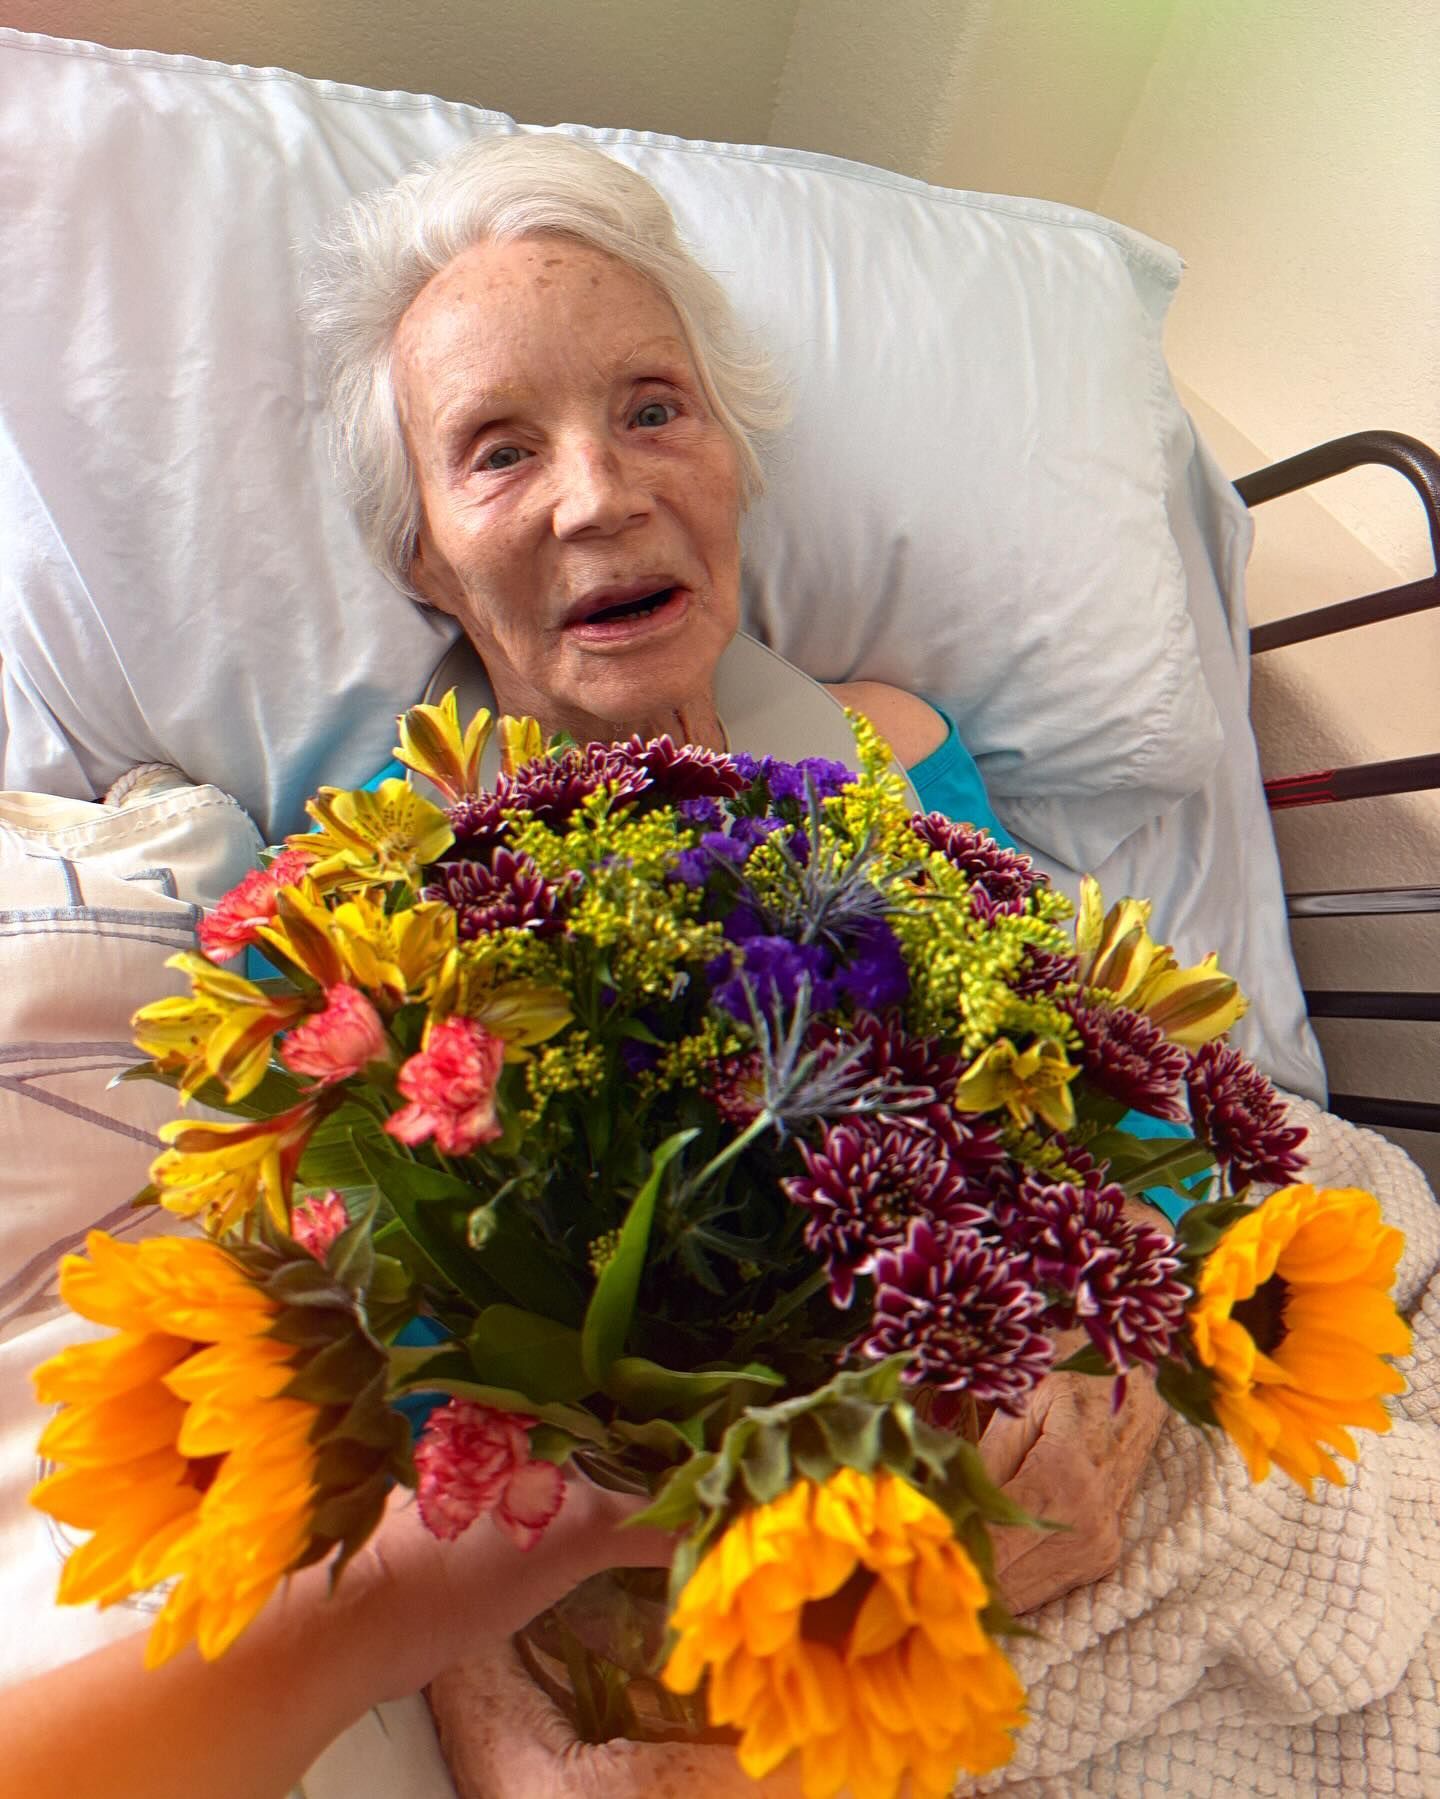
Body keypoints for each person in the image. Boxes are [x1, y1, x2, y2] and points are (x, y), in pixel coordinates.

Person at [299, 131, 1177, 1793]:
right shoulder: (383, 874)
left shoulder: (900, 756)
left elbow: (1119, 1113)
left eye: (653, 408)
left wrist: (1090, 1369)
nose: (602, 492)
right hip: (632, 1579)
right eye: (497, 451)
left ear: (733, 459)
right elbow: (369, 1324)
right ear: (422, 552)